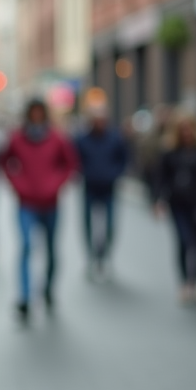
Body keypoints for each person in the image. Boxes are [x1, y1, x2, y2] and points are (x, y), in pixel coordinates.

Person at [0, 99, 78, 321]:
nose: (36, 117)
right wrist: (18, 184)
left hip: (51, 203)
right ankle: (25, 297)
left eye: (39, 113)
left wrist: (56, 184)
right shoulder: (17, 138)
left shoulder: (57, 138)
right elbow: (4, 162)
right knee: (25, 247)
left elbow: (70, 164)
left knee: (51, 250)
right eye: (32, 113)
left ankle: (48, 290)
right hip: (26, 204)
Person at [156, 114, 196, 302]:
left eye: (189, 128)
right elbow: (161, 177)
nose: (187, 133)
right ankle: (185, 283)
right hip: (179, 205)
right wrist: (159, 200)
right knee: (184, 241)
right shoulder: (170, 153)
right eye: (183, 129)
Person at [73, 103, 129, 278]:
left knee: (110, 225)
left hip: (109, 188)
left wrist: (115, 174)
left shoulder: (115, 138)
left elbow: (124, 158)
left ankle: (104, 256)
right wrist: (84, 172)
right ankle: (91, 257)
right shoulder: (82, 139)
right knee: (87, 224)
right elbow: (75, 159)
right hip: (89, 187)